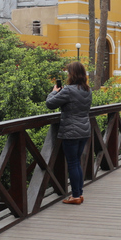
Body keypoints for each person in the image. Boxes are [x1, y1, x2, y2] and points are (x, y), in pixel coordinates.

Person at [46, 61, 93, 205]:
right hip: (84, 130)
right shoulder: (87, 90)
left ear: (72, 74)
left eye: (68, 72)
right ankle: (79, 194)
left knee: (72, 163)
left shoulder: (68, 90)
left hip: (71, 131)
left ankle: (76, 196)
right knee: (76, 162)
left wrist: (54, 91)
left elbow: (49, 104)